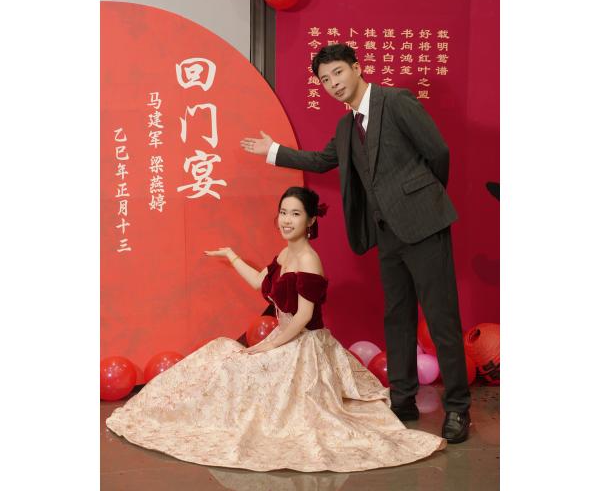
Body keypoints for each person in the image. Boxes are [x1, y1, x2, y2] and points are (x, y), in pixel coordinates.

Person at [106, 186, 446, 472]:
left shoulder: (309, 260)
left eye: (295, 214)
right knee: (220, 352)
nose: (286, 220)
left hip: (303, 345)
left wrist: (269, 346)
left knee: (241, 366)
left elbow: (303, 316)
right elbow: (261, 282)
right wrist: (232, 256)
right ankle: (186, 414)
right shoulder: (284, 254)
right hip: (283, 338)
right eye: (283, 212)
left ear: (311, 221)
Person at [241, 44, 471, 443]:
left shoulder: (395, 101)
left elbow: (438, 151)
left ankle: (457, 408)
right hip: (387, 234)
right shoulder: (346, 128)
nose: (333, 83)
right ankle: (403, 401)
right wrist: (273, 151)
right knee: (397, 317)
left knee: (441, 319)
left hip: (424, 224)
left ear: (357, 68)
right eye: (325, 80)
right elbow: (321, 160)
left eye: (337, 73)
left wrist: (424, 199)